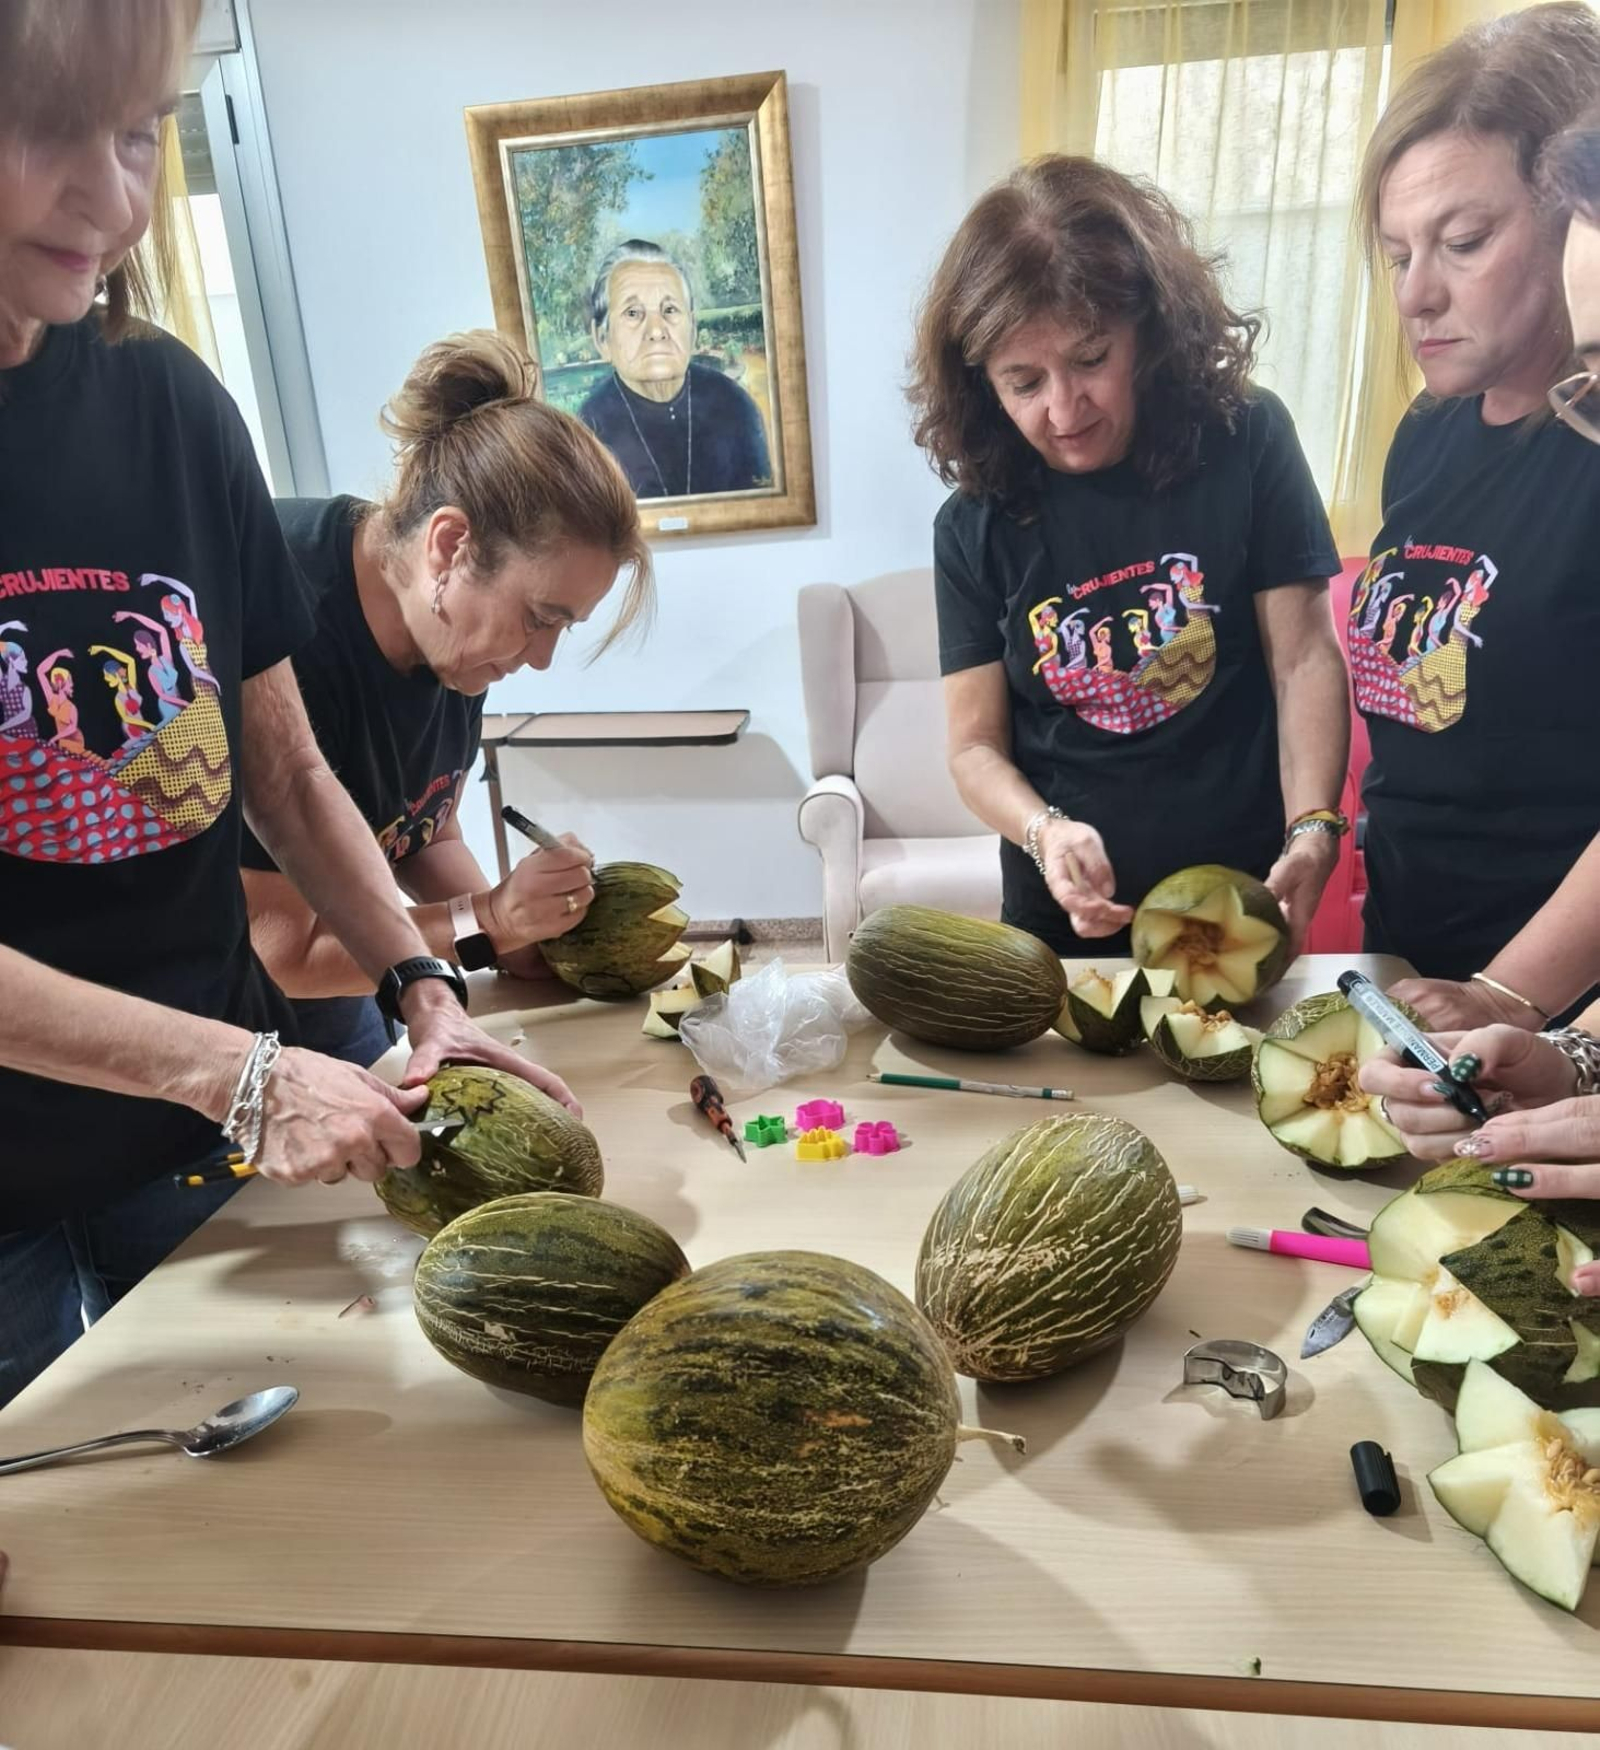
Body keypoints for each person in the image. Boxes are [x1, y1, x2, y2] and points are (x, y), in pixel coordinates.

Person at [0, 0, 571, 1409]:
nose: (115, 199)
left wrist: (421, 982)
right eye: (51, 128)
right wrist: (243, 1075)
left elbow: (291, 776)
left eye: (141, 133)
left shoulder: (174, 407)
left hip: (183, 1130)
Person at [909, 155, 1349, 958]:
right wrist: (1044, 830)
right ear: (981, 385)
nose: (1063, 409)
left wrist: (1313, 826)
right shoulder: (971, 525)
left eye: (1089, 359)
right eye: (1023, 383)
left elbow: (1304, 660)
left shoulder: (1247, 439)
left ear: (1149, 331)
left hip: (1238, 901)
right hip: (1064, 920)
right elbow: (974, 748)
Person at [242, 329, 653, 1066]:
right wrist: (489, 918)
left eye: (563, 627)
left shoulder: (449, 636)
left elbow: (426, 833)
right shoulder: (282, 618)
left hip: (357, 987)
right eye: (540, 618)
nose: (541, 658)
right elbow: (284, 949)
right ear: (451, 545)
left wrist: (521, 936)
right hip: (220, 1028)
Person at [1360, 96, 1600, 1241]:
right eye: (1396, 253)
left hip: (1541, 971)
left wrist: (1523, 994)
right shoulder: (1428, 430)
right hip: (1439, 963)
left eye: (1461, 242)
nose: (1415, 295)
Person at [577, 240, 772, 499]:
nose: (657, 330)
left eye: (670, 310)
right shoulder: (587, 431)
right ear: (602, 339)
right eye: (633, 313)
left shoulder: (734, 406)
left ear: (693, 329)